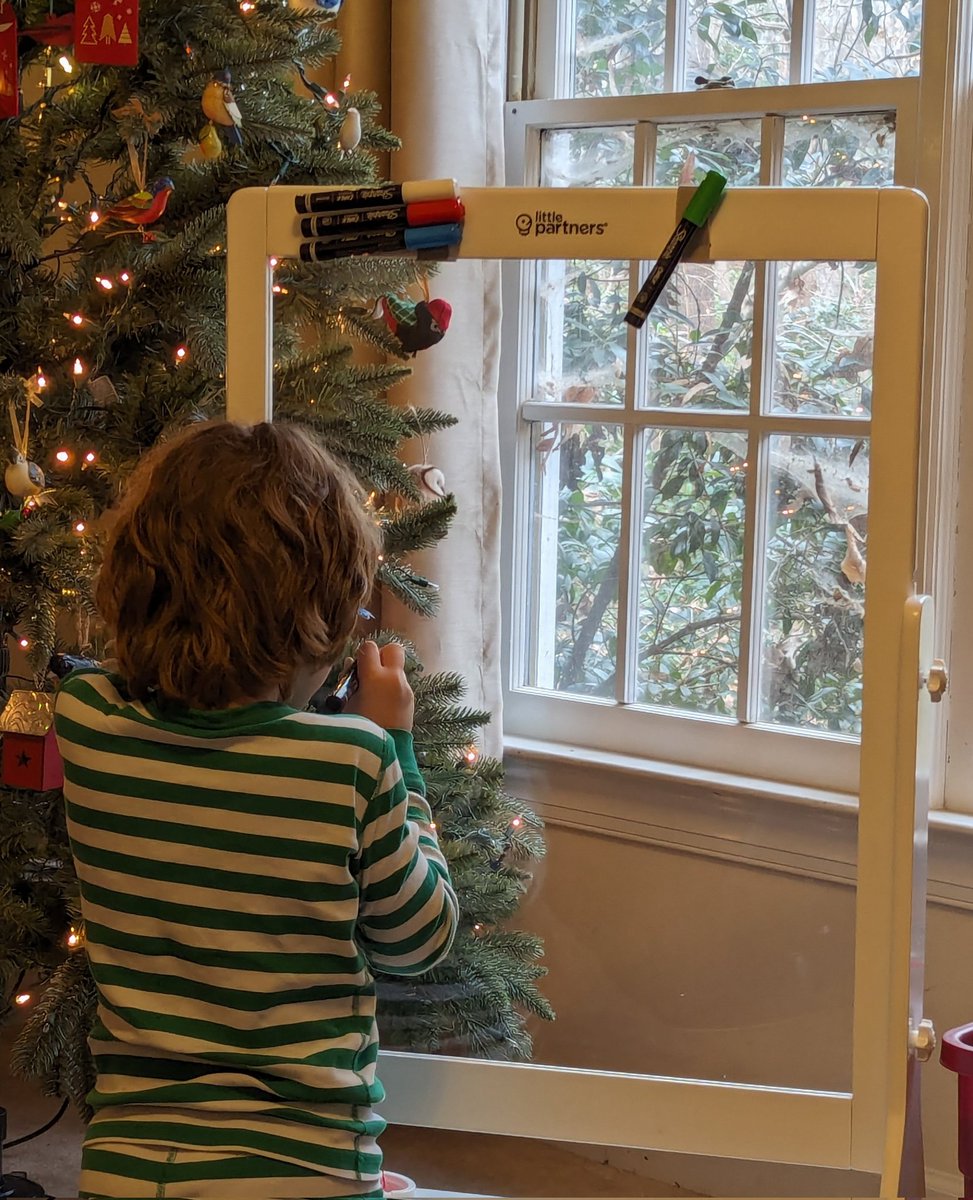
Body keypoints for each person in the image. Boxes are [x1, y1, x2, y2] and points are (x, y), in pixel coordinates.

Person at [54, 420, 458, 1200]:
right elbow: (421, 939)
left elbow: (115, 674)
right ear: (325, 618)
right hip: (303, 1170)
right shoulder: (352, 761)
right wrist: (394, 741)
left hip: (129, 1169)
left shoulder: (88, 723)